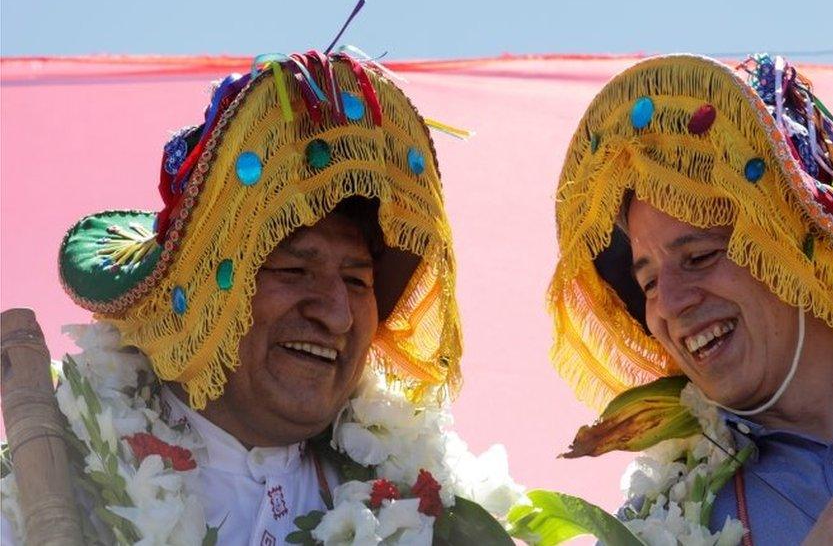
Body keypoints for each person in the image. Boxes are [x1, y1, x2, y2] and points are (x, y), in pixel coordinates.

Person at [0, 46, 521, 545]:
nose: (338, 316)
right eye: (295, 269)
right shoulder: (50, 485)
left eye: (358, 281)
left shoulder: (426, 511)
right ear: (202, 290)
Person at [547, 53, 833, 544]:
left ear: (799, 247)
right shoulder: (654, 526)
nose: (669, 304)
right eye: (648, 283)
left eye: (700, 257)